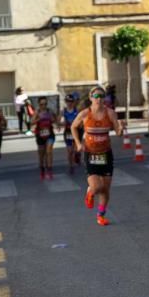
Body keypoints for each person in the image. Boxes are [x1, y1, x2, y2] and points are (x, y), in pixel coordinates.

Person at [71, 85, 123, 227]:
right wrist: (78, 143)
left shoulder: (110, 113)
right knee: (96, 187)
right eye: (96, 96)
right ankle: (90, 192)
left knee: (106, 189)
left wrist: (121, 128)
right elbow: (73, 126)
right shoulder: (85, 114)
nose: (99, 99)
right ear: (90, 98)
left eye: (101, 96)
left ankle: (100, 215)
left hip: (106, 154)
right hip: (90, 154)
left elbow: (118, 133)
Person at [31, 96, 58, 180]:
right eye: (42, 104)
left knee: (49, 151)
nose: (44, 106)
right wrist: (38, 119)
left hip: (50, 134)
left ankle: (49, 170)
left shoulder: (50, 111)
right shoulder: (37, 112)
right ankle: (42, 169)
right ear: (39, 104)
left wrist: (53, 120)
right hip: (40, 135)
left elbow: (55, 120)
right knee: (42, 154)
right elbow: (32, 122)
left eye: (45, 104)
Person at [60, 95, 79, 174]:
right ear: (66, 102)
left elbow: (80, 121)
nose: (69, 103)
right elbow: (60, 121)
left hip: (75, 132)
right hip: (67, 133)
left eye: (71, 101)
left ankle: (77, 156)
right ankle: (71, 166)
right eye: (68, 101)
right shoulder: (63, 111)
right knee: (69, 151)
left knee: (75, 150)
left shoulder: (76, 110)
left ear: (73, 102)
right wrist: (62, 122)